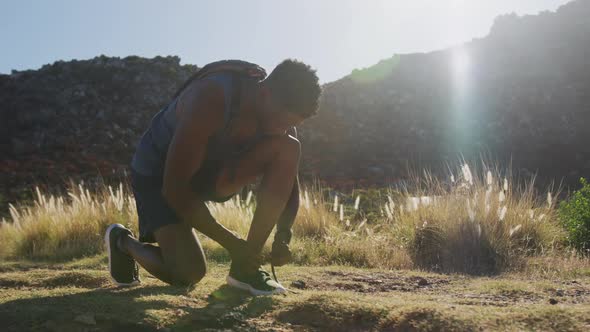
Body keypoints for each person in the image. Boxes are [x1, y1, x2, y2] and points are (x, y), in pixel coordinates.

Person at [104, 59, 321, 295]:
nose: (283, 129)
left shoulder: (280, 120)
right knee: (188, 273)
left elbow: (288, 182)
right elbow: (175, 189)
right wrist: (231, 243)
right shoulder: (211, 98)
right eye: (282, 120)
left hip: (212, 170)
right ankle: (122, 242)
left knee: (289, 146)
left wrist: (283, 235)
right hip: (158, 175)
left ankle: (244, 270)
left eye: (291, 123)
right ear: (266, 93)